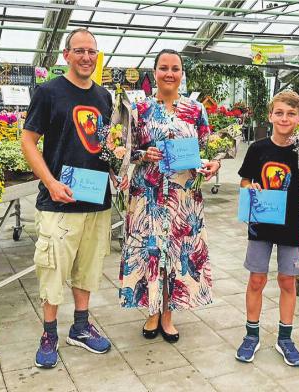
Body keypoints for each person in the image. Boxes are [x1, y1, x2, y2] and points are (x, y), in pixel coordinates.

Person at [21, 28, 128, 369]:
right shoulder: (49, 92)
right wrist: (50, 182)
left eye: (91, 51)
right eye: (79, 50)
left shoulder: (103, 97)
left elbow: (103, 145)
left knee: (88, 267)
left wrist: (119, 162)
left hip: (96, 199)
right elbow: (27, 141)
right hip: (59, 200)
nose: (86, 57)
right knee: (52, 268)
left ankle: (80, 327)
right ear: (66, 55)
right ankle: (49, 334)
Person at [119, 49, 220, 343]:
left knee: (175, 253)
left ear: (181, 73)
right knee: (152, 252)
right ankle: (152, 311)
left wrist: (213, 164)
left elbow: (208, 149)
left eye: (175, 68)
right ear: (154, 72)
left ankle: (168, 314)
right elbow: (123, 151)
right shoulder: (140, 110)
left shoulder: (195, 110)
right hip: (147, 194)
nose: (169, 73)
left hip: (182, 196)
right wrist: (141, 154)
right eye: (164, 68)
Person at [235, 90, 299, 367]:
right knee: (256, 280)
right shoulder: (258, 148)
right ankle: (251, 335)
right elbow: (244, 180)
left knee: (288, 281)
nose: (284, 118)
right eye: (279, 113)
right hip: (261, 224)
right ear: (270, 116)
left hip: (292, 225)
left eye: (291, 113)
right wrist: (249, 187)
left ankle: (285, 337)